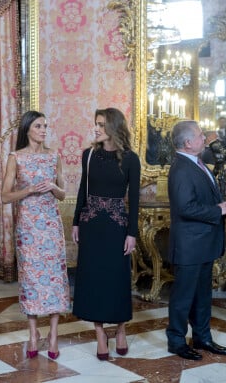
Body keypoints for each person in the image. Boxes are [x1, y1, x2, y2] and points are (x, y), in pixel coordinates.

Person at [72, 108, 140, 361]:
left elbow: (133, 199)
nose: (96, 128)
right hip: (91, 226)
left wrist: (131, 233)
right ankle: (100, 333)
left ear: (113, 127)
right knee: (93, 279)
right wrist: (77, 222)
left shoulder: (131, 159)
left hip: (116, 227)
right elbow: (82, 189)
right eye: (96, 124)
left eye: (101, 124)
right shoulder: (88, 155)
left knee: (116, 279)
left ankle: (120, 328)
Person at [1, 111, 71, 360]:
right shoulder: (15, 158)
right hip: (29, 229)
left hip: (51, 226)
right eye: (39, 126)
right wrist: (28, 189)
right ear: (27, 129)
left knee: (54, 279)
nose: (44, 130)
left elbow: (63, 194)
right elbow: (5, 196)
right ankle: (33, 334)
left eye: (45, 126)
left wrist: (53, 187)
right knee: (31, 280)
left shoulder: (54, 156)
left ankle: (53, 334)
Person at [166, 120, 226, 360]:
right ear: (188, 142)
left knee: (202, 296)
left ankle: (203, 337)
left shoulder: (196, 163)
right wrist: (219, 210)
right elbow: (186, 207)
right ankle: (176, 341)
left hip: (202, 244)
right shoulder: (182, 168)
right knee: (183, 297)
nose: (205, 138)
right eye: (200, 135)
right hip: (189, 246)